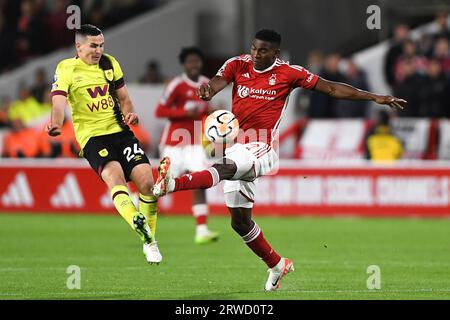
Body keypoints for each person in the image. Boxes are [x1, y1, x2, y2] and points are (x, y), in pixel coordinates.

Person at [152, 29, 406, 291]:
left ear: (275, 52)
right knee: (239, 222)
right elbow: (216, 82)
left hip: (262, 147)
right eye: (253, 48)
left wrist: (375, 96)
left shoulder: (290, 73)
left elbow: (331, 88)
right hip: (237, 146)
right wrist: (207, 91)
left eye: (262, 50)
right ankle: (277, 264)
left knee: (224, 167)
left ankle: (172, 184)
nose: (256, 54)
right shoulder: (237, 64)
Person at [47, 24, 162, 264]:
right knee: (115, 177)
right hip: (93, 138)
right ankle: (139, 226)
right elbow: (58, 104)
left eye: (101, 45)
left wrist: (131, 113)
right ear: (78, 47)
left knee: (148, 184)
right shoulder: (66, 69)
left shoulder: (110, 63)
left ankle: (149, 241)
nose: (98, 50)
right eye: (93, 45)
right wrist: (55, 123)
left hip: (121, 132)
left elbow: (125, 99)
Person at [155, 47, 219, 244]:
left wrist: (215, 116)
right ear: (184, 64)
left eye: (197, 61)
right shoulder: (177, 85)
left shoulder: (206, 84)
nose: (194, 65)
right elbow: (160, 111)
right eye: (190, 61)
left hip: (195, 143)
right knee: (162, 185)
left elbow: (206, 110)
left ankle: (201, 230)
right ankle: (137, 203)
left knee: (199, 182)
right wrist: (184, 113)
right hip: (174, 142)